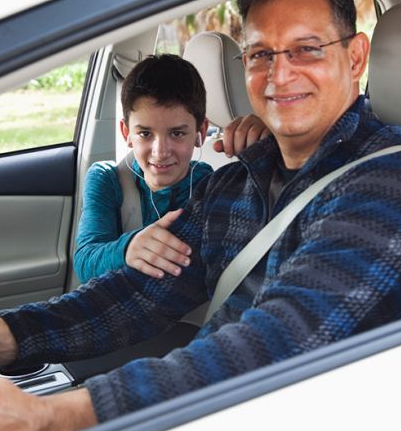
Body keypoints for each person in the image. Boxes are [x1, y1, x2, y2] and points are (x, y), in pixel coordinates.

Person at [0, 0, 401, 431]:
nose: (277, 75)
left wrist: (61, 414)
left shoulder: (400, 185)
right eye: (260, 54)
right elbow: (144, 289)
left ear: (356, 57)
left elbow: (284, 339)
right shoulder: (236, 183)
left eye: (306, 50)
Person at [74, 54, 269, 281]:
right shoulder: (107, 179)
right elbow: (85, 260)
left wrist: (267, 152)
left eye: (177, 133)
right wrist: (129, 248)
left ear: (200, 131)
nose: (160, 151)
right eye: (145, 134)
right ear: (127, 133)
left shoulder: (209, 185)